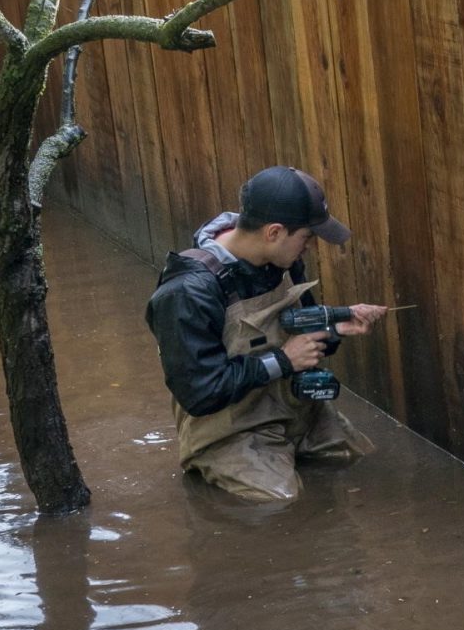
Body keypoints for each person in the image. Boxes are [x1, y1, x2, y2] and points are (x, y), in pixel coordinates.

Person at [143, 166, 386, 502]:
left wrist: (333, 326)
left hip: (296, 411)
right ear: (274, 232)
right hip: (231, 430)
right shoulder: (187, 293)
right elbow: (200, 393)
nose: (310, 248)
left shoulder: (283, 259)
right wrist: (284, 360)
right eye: (307, 237)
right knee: (281, 505)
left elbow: (300, 327)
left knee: (359, 459)